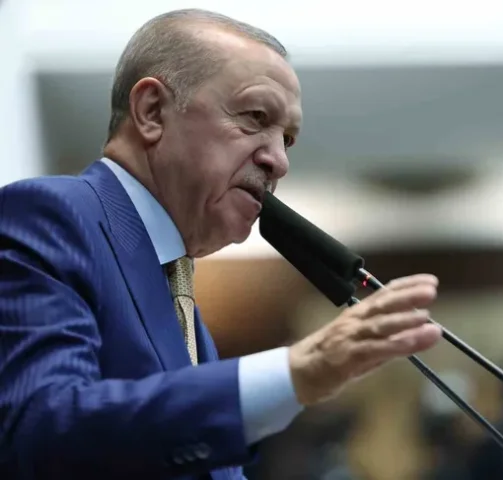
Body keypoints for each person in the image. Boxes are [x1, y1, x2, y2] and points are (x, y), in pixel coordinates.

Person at [0, 9, 442, 480]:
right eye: (255, 117)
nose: (279, 161)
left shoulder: (178, 295)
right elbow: (38, 430)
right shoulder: (50, 215)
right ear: (152, 111)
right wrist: (297, 372)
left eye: (287, 139)